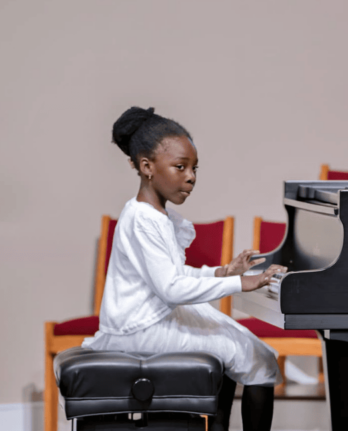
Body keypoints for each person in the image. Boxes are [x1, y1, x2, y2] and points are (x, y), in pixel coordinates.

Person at [82, 106, 285, 431]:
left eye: (194, 168)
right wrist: (243, 283)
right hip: (140, 329)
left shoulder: (151, 215)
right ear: (147, 167)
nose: (191, 177)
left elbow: (173, 277)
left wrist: (222, 273)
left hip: (149, 319)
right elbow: (171, 289)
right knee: (259, 360)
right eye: (180, 167)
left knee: (244, 348)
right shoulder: (143, 219)